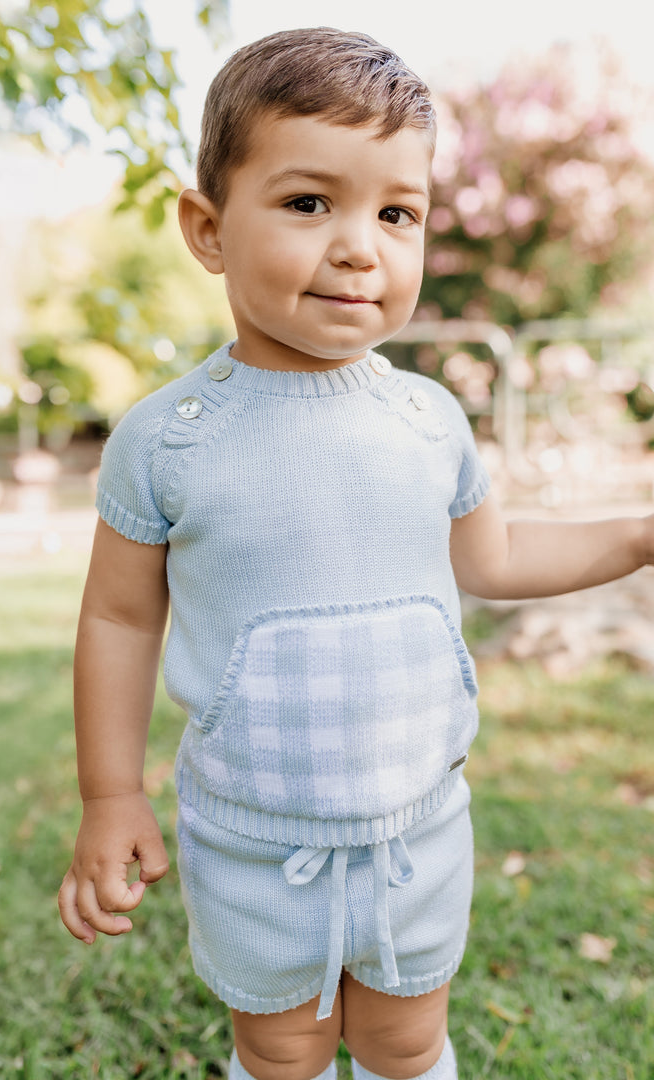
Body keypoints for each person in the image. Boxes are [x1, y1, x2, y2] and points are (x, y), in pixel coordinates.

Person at [58, 27, 654, 1080]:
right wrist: (112, 795)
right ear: (207, 228)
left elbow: (499, 554)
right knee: (282, 1048)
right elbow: (118, 616)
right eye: (306, 203)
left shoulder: (429, 420)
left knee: (405, 1035)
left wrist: (639, 535)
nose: (359, 246)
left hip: (417, 830)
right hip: (251, 837)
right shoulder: (169, 436)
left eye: (396, 213)